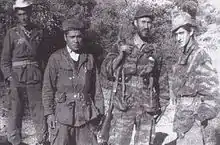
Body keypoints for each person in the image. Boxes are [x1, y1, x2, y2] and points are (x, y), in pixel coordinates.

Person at [101, 6, 170, 145]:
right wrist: (120, 55)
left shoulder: (155, 51)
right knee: (118, 142)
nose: (147, 26)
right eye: (143, 22)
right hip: (124, 104)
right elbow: (106, 71)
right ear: (135, 23)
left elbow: (161, 78)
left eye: (149, 23)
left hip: (147, 105)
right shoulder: (122, 46)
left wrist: (163, 103)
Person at [42, 17, 104, 145]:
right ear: (65, 37)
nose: (76, 40)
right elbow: (48, 88)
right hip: (62, 116)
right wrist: (49, 114)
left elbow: (96, 89)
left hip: (85, 115)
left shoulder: (89, 58)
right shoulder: (56, 58)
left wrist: (100, 112)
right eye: (72, 37)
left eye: (79, 36)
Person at [1, 0, 48, 145]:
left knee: (39, 109)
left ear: (30, 13)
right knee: (15, 110)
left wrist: (45, 76)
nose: (24, 17)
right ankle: (14, 140)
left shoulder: (39, 32)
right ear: (17, 15)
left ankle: (43, 139)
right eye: (20, 14)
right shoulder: (12, 33)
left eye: (26, 13)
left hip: (35, 76)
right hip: (16, 76)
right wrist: (9, 76)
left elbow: (44, 57)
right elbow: (5, 59)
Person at [171, 11, 220, 145]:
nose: (178, 38)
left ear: (191, 31)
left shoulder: (200, 56)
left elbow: (213, 95)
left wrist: (198, 121)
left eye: (181, 33)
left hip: (194, 126)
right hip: (183, 122)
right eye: (176, 34)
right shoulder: (184, 56)